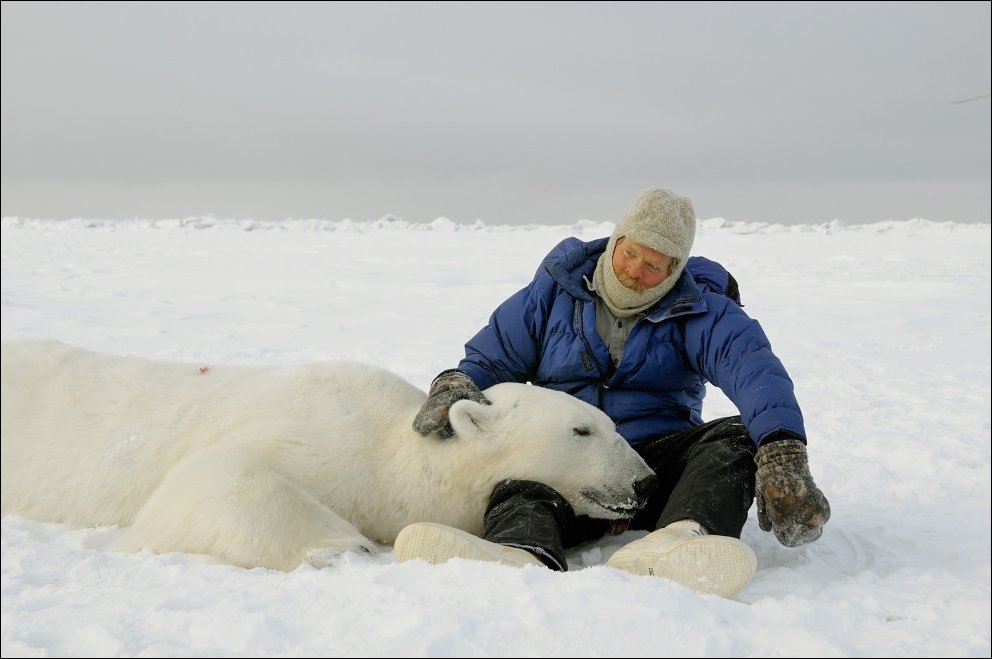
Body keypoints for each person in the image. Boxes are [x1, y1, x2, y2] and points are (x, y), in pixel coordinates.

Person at [393, 187, 830, 597]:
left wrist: (782, 449)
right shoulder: (550, 295)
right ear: (615, 242)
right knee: (521, 477)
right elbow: (490, 361)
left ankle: (679, 540)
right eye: (630, 253)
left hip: (654, 466)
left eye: (654, 264)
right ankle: (519, 551)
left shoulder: (703, 310)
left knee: (736, 439)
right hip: (569, 464)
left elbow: (755, 370)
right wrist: (455, 384)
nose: (636, 270)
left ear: (675, 270)